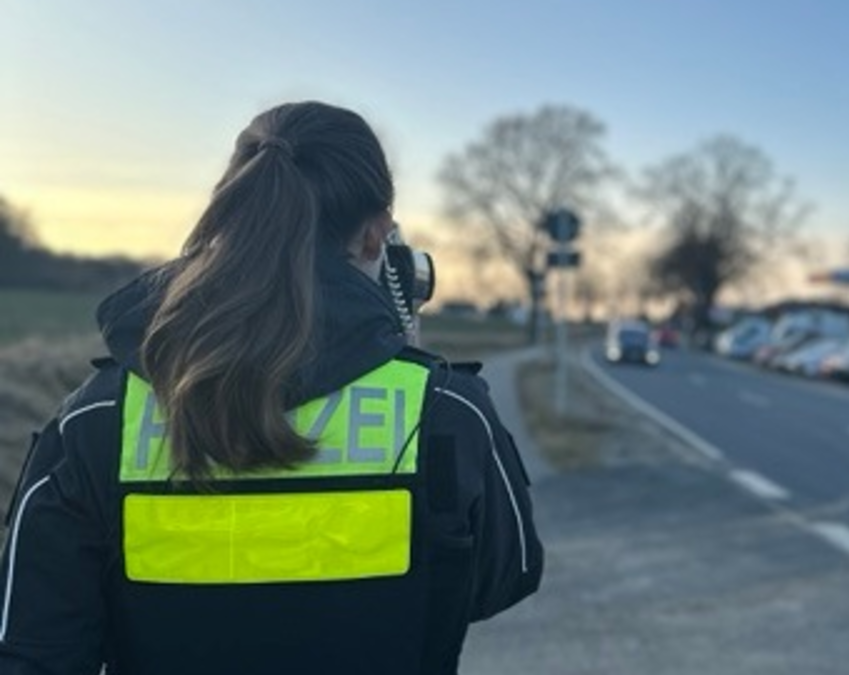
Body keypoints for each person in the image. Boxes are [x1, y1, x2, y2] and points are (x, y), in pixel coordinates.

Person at [0, 101, 542, 674]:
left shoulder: (96, 417)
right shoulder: (448, 410)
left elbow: (36, 649)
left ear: (233, 208)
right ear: (376, 235)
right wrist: (402, 339)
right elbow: (503, 578)